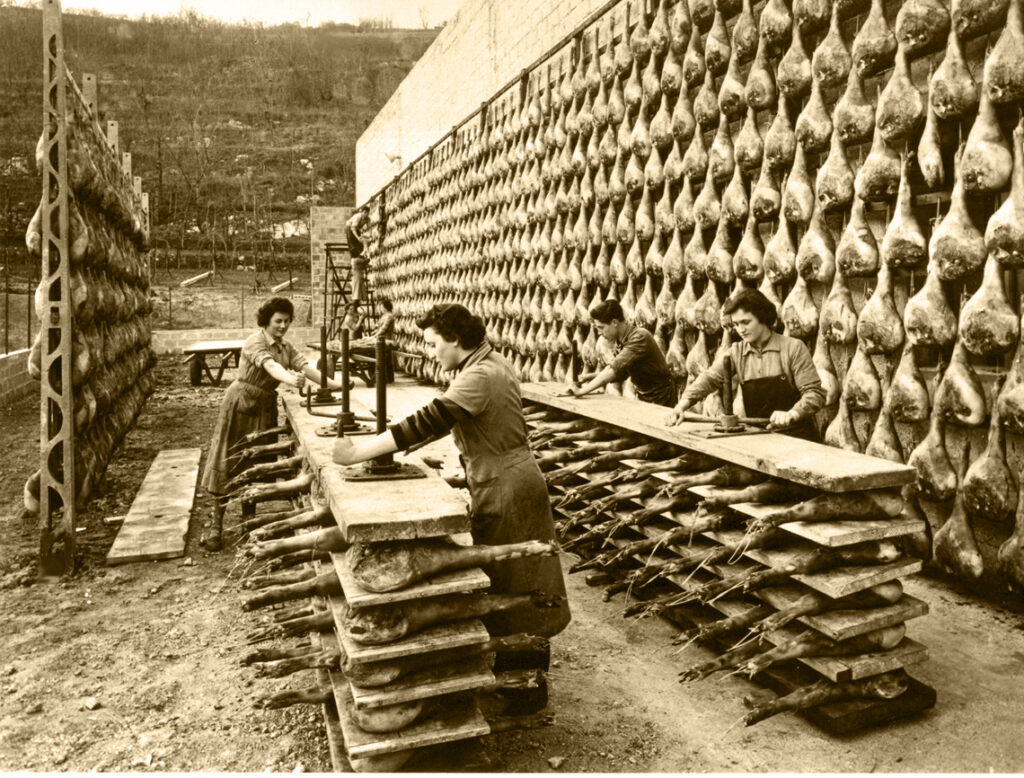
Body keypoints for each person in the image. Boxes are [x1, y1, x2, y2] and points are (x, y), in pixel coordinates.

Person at [332, 303, 571, 641]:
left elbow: (425, 420)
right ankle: (518, 653)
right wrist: (413, 445)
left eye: (433, 344)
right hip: (502, 476)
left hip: (507, 485)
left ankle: (524, 672)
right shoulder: (488, 361)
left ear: (456, 339)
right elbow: (459, 418)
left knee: (517, 575)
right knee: (509, 572)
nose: (431, 353)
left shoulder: (480, 375)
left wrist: (356, 453)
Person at [200, 296, 342, 550]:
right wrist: (290, 380)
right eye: (278, 321)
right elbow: (271, 366)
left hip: (264, 407)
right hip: (240, 404)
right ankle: (216, 525)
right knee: (229, 459)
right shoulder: (254, 342)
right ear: (267, 321)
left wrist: (337, 385)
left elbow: (306, 366)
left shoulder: (285, 347)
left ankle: (247, 521)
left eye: (287, 321)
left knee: (255, 463)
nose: (283, 326)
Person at [665, 288, 825, 439]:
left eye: (745, 322)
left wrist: (792, 414)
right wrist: (681, 407)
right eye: (736, 324)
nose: (740, 329)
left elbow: (814, 393)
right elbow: (709, 379)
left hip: (797, 436)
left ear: (762, 318)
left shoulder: (793, 348)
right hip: (760, 436)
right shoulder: (737, 352)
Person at [562, 299, 676, 407]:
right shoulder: (620, 341)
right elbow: (621, 372)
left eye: (601, 328)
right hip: (645, 394)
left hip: (662, 396)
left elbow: (614, 369)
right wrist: (588, 377)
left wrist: (582, 391)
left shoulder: (639, 337)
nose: (599, 333)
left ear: (614, 322)